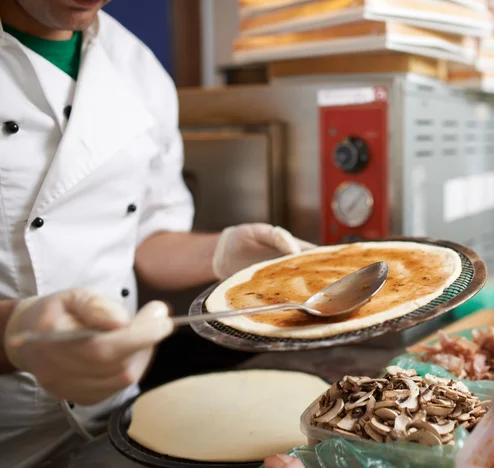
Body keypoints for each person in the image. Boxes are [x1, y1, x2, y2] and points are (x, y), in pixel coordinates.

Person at [0, 0, 313, 466]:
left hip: (112, 420)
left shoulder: (137, 69)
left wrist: (222, 252)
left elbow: (146, 239)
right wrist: (14, 334)